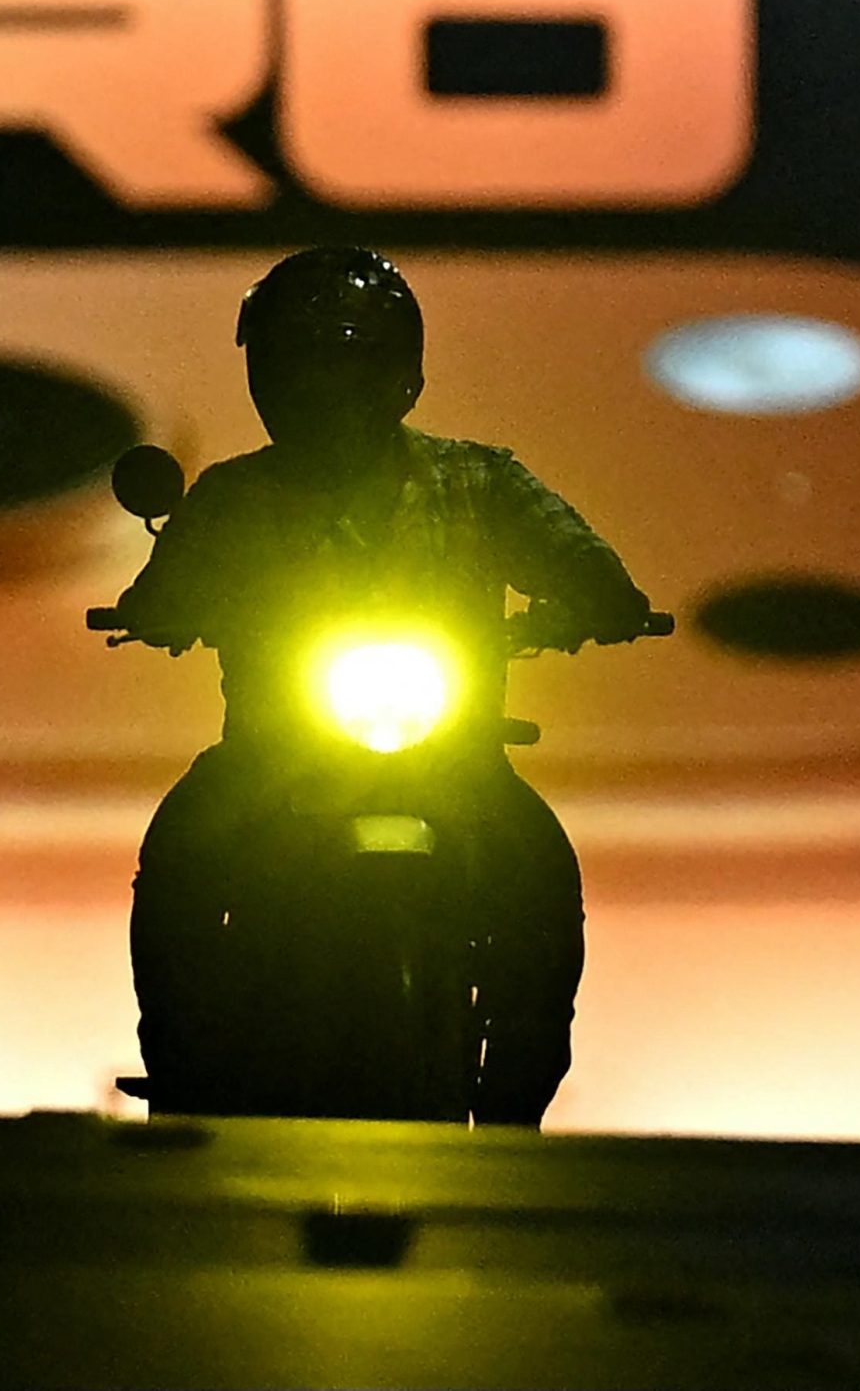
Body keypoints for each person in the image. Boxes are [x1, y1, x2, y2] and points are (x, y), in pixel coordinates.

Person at [107, 247, 653, 1127]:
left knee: (538, 868)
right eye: (300, 362)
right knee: (181, 856)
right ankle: (178, 1070)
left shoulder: (480, 480)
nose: (323, 388)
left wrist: (601, 598)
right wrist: (157, 608)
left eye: (346, 361)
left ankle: (520, 1092)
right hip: (272, 758)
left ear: (400, 374)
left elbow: (580, 559)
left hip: (455, 756)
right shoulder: (230, 497)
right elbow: (163, 589)